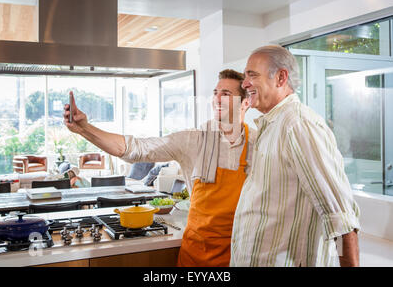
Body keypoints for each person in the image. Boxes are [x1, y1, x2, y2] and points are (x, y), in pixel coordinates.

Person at [64, 69, 256, 267]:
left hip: (240, 256)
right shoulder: (193, 140)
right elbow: (135, 149)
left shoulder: (259, 144)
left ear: (246, 102)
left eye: (226, 94)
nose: (217, 99)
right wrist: (85, 129)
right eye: (215, 93)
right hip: (196, 256)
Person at [230, 45, 361, 267]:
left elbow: (341, 220)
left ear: (281, 77)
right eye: (244, 77)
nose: (244, 84)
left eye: (252, 75)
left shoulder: (298, 125)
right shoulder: (271, 125)